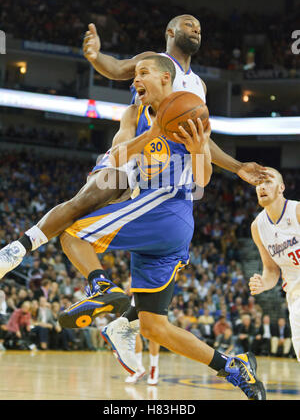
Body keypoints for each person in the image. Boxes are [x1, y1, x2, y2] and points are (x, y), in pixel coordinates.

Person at [0, 15, 271, 294]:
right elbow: (117, 69)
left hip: (166, 167)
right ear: (170, 31)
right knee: (89, 198)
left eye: (199, 27)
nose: (196, 28)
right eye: (189, 24)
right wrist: (95, 57)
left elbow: (201, 139)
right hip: (134, 145)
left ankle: (122, 311)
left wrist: (237, 167)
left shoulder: (199, 86)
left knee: (153, 240)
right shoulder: (152, 61)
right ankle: (17, 250)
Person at [59, 55, 265, 400]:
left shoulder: (188, 114)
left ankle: (103, 289)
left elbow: (202, 179)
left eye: (143, 73)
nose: (134, 81)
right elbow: (116, 157)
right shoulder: (133, 115)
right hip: (163, 226)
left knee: (72, 233)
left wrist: (200, 149)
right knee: (155, 326)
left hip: (166, 206)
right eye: (133, 75)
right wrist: (151, 134)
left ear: (166, 78)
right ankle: (232, 366)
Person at [249, 167, 300, 363]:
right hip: (295, 297)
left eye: (268, 181)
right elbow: (271, 270)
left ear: (281, 188)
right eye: (258, 183)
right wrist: (263, 283)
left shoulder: (296, 211)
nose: (262, 186)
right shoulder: (258, 226)